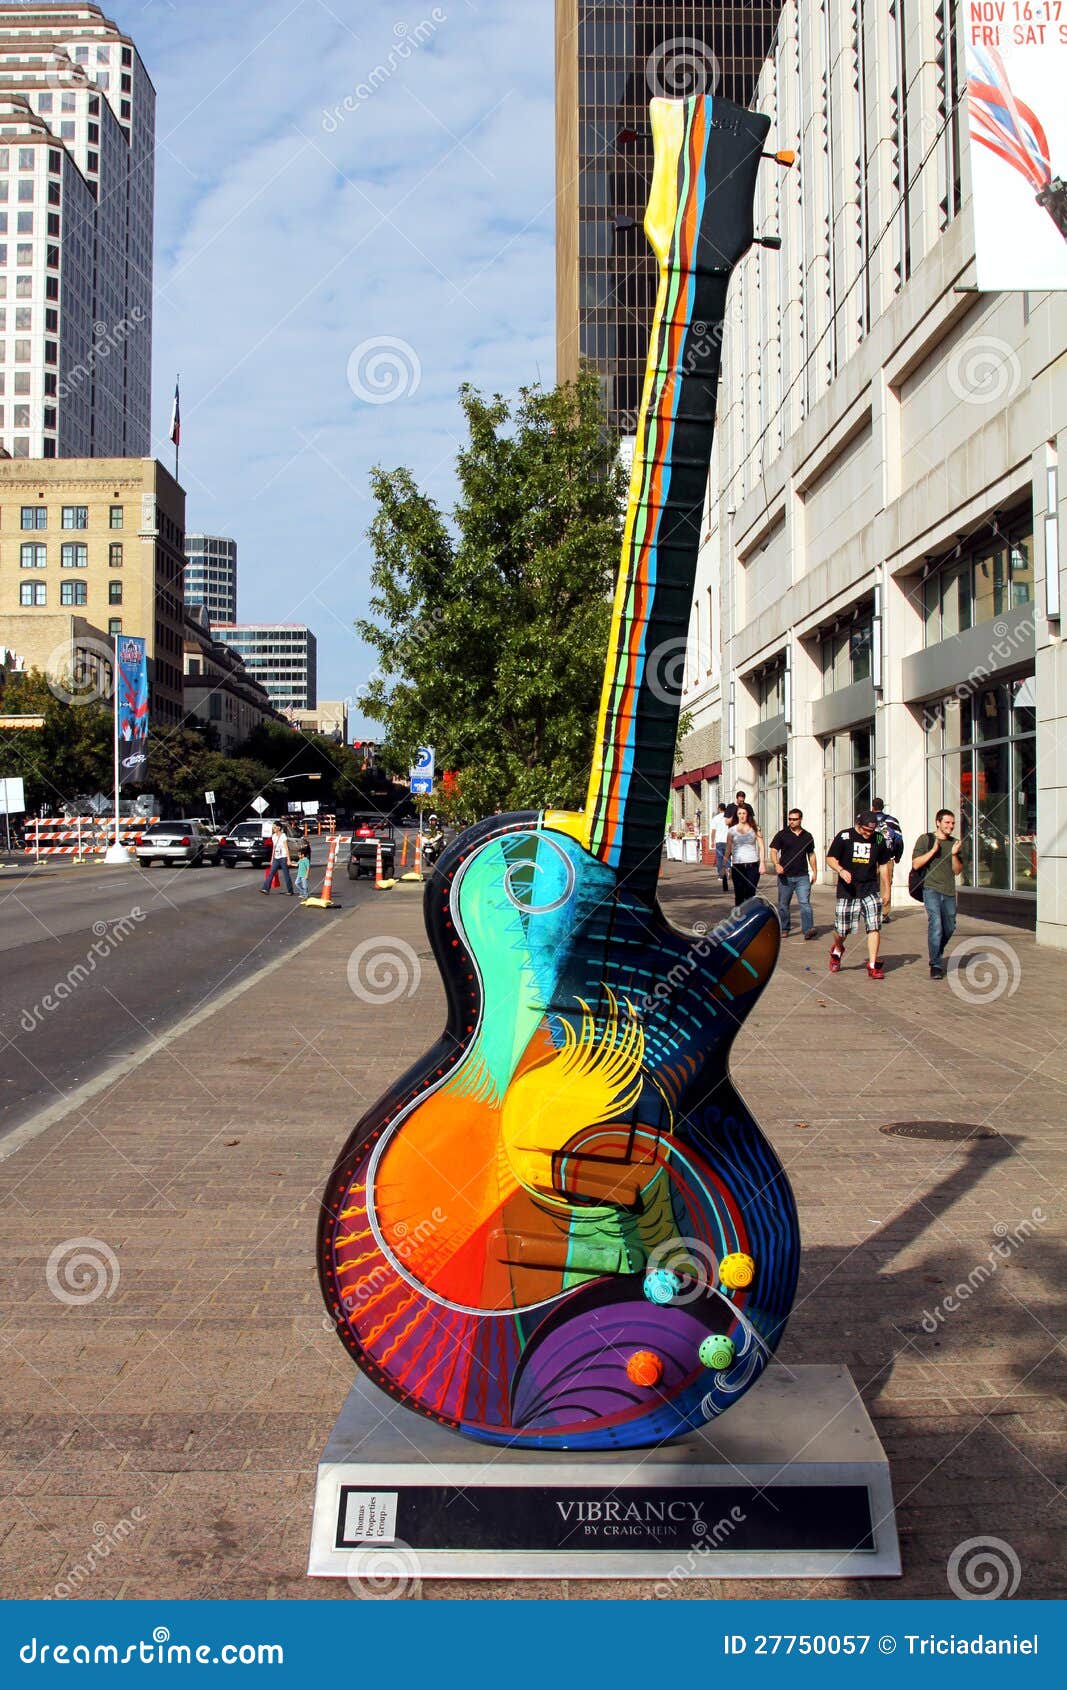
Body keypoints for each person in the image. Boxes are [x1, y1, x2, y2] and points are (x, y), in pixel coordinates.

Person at [826, 808, 894, 980]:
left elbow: (885, 865)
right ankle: (837, 947)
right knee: (842, 930)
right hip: (848, 890)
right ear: (859, 825)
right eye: (866, 830)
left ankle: (872, 965)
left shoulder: (878, 839)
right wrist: (840, 870)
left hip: (870, 888)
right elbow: (831, 858)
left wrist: (888, 889)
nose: (868, 834)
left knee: (874, 926)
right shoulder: (845, 836)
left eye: (872, 831)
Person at [912, 809, 964, 979]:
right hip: (931, 889)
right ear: (938, 822)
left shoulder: (955, 843)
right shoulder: (925, 839)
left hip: (949, 891)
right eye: (947, 822)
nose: (951, 826)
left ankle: (936, 952)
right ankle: (935, 965)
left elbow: (957, 871)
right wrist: (933, 851)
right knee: (936, 925)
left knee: (949, 928)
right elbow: (916, 864)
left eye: (953, 823)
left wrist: (955, 854)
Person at [770, 807, 818, 939]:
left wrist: (815, 871)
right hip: (785, 876)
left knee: (805, 903)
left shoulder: (807, 836)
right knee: (783, 905)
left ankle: (808, 930)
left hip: (802, 876)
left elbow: (811, 854)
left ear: (800, 820)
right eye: (790, 819)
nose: (791, 821)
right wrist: (776, 864)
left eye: (794, 819)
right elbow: (773, 851)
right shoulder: (782, 834)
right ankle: (784, 928)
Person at [724, 801, 765, 908]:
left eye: (744, 813)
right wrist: (724, 865)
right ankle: (739, 921)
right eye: (739, 813)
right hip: (738, 866)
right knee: (739, 895)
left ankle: (750, 919)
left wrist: (762, 863)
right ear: (736, 815)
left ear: (748, 814)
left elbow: (761, 846)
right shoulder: (731, 831)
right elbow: (728, 849)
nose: (742, 816)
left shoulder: (755, 828)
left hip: (752, 865)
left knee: (750, 894)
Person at [872, 796, 904, 922]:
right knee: (886, 884)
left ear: (872, 807)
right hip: (887, 857)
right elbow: (899, 840)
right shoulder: (892, 821)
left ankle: (871, 910)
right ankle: (884, 914)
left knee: (869, 883)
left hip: (870, 858)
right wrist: (898, 856)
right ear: (883, 807)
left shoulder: (865, 819)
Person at [261, 822, 294, 895]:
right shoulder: (273, 836)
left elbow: (286, 848)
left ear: (279, 828)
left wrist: (288, 859)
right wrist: (272, 859)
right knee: (271, 873)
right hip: (276, 857)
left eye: (275, 827)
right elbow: (274, 848)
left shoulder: (283, 836)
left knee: (286, 874)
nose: (273, 829)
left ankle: (290, 890)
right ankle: (265, 889)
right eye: (273, 827)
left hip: (283, 857)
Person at [709, 802, 730, 892]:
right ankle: (728, 869)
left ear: (719, 809)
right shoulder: (728, 818)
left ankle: (721, 875)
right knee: (727, 856)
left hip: (719, 841)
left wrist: (712, 841)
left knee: (719, 858)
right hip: (727, 841)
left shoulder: (715, 818)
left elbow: (713, 831)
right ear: (725, 809)